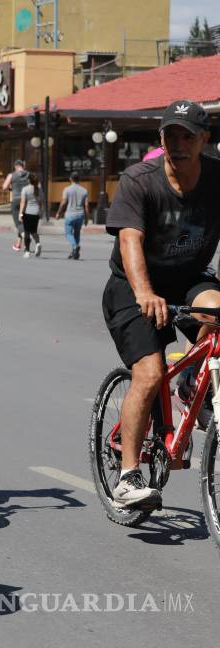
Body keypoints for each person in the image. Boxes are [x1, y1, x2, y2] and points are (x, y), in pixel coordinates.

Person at [102, 99, 220, 508]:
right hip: (133, 286)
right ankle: (128, 477)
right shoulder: (140, 181)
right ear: (161, 139)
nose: (179, 144)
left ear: (204, 140)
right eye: (171, 136)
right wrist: (144, 293)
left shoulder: (217, 177)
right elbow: (129, 240)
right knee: (150, 374)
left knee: (216, 311)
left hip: (188, 279)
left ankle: (192, 380)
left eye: (188, 136)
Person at [55, 172, 90, 260]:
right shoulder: (84, 190)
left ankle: (75, 246)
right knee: (77, 233)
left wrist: (58, 213)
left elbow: (63, 202)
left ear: (70, 179)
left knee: (68, 233)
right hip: (80, 214)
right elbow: (86, 206)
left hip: (70, 214)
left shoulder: (67, 189)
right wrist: (87, 218)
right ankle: (74, 252)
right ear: (79, 179)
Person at [2, 159, 29, 251]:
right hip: (27, 201)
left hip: (16, 201)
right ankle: (18, 244)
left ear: (15, 166)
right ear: (23, 166)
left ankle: (26, 237)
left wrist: (11, 187)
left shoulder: (11, 175)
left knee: (18, 223)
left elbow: (4, 187)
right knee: (23, 223)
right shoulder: (29, 175)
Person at [19, 173, 43, 258]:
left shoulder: (25, 189)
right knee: (34, 231)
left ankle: (27, 252)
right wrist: (41, 212)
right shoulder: (39, 190)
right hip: (36, 213)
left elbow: (23, 202)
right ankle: (38, 243)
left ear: (29, 180)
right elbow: (41, 202)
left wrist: (21, 214)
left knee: (27, 232)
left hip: (27, 213)